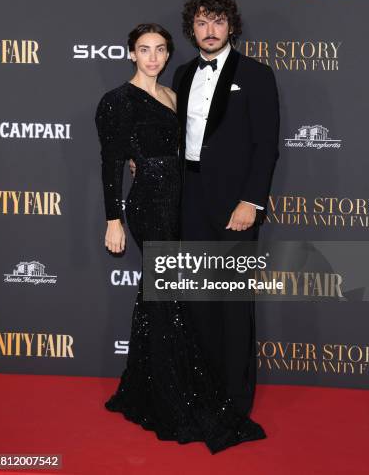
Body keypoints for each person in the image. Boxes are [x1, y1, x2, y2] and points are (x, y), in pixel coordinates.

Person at [95, 23, 266, 454]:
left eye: (159, 50)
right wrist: (113, 218)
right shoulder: (115, 100)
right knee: (166, 293)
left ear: (168, 55)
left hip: (183, 203)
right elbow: (111, 162)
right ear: (130, 54)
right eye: (143, 50)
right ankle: (168, 394)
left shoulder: (174, 94)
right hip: (150, 207)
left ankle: (155, 381)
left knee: (169, 296)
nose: (152, 57)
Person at [171, 0, 280, 417]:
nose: (210, 30)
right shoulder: (180, 74)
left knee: (233, 302)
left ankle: (235, 400)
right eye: (201, 22)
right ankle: (203, 389)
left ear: (231, 26)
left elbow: (266, 145)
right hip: (189, 197)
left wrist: (251, 202)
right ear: (191, 30)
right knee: (197, 298)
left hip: (235, 203)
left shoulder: (256, 74)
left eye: (217, 22)